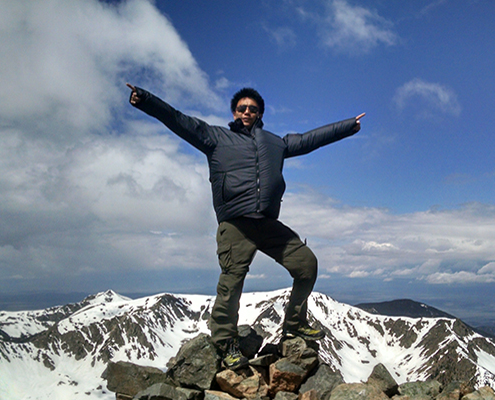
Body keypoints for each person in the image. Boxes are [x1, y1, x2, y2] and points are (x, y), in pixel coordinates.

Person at [126, 83, 364, 369]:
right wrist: (146, 100)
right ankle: (226, 343)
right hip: (236, 222)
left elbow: (310, 139)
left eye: (252, 108)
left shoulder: (276, 143)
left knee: (306, 264)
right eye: (242, 108)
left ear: (260, 113)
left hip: (266, 222)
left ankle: (295, 322)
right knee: (232, 282)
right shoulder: (215, 137)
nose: (247, 112)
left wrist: (348, 126)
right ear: (234, 112)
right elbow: (178, 119)